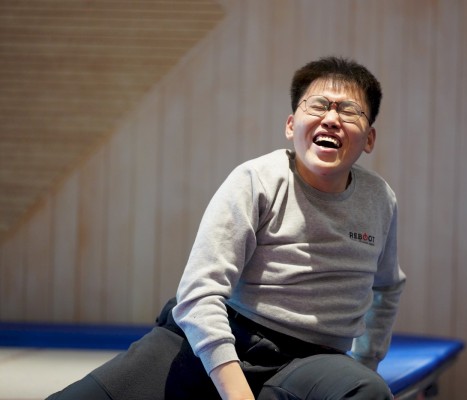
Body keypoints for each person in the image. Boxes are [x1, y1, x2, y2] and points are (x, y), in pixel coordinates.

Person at [47, 56, 406, 400]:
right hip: (218, 336)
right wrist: (236, 393)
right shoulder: (256, 180)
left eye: (349, 111)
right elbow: (199, 294)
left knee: (367, 390)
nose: (331, 119)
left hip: (309, 363)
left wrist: (365, 362)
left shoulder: (379, 199)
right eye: (318, 106)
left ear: (369, 139)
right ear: (291, 125)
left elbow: (387, 287)